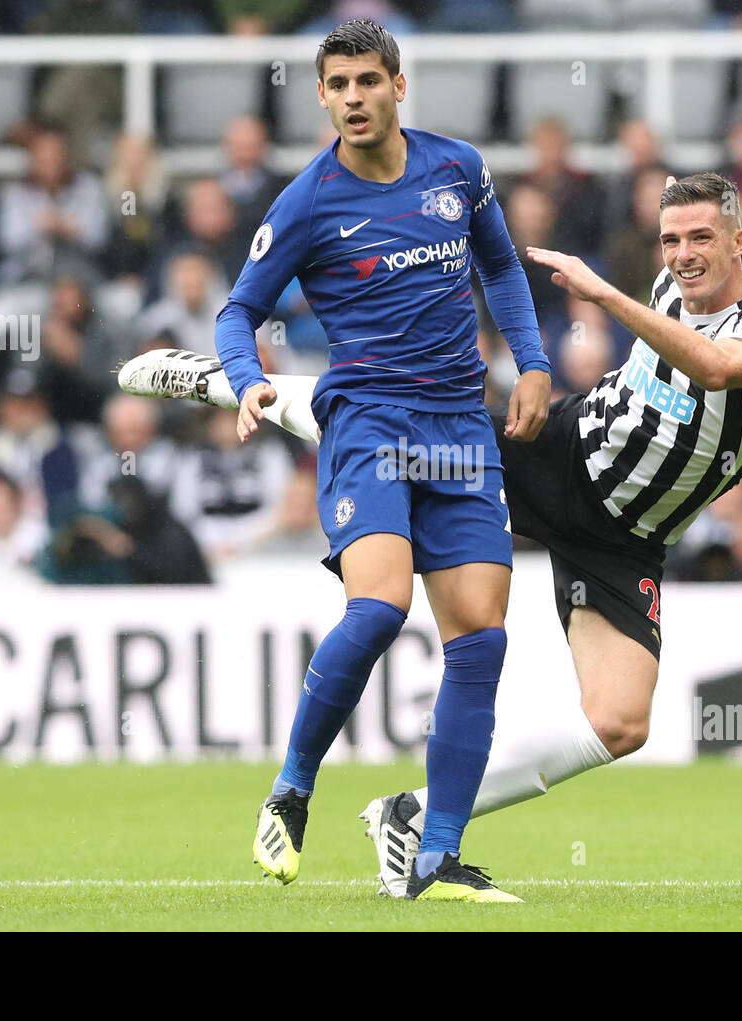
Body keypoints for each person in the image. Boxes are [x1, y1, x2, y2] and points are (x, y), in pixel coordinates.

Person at [120, 170, 742, 898]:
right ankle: (227, 380)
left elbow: (720, 368)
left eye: (702, 237)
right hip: (563, 455)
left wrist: (606, 294)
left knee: (620, 720)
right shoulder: (673, 289)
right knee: (399, 437)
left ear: (740, 240)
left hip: (626, 536)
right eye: (671, 239)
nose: (683, 254)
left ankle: (409, 814)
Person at [123, 20, 551, 903]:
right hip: (366, 420)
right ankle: (293, 787)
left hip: (461, 429)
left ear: (399, 83)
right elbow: (238, 309)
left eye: (368, 80)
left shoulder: (458, 170)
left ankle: (433, 858)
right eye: (337, 85)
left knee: (481, 638)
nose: (353, 97)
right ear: (320, 96)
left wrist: (536, 362)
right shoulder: (309, 201)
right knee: (382, 606)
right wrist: (243, 378)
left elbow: (502, 267)